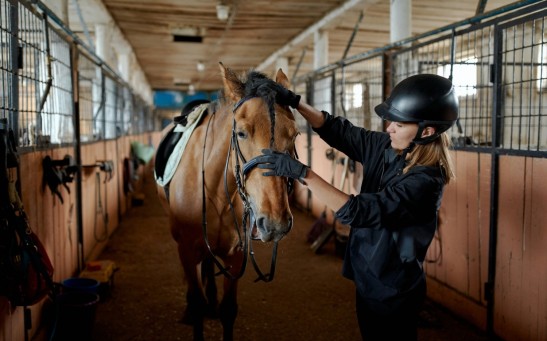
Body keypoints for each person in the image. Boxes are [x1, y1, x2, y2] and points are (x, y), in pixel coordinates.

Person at [255, 74, 458, 340]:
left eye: (398, 123)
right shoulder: (389, 147)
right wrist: (296, 103)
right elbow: (338, 130)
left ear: (427, 131)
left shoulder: (425, 182)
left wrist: (303, 174)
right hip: (368, 274)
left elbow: (358, 211)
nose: (389, 129)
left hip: (392, 288)